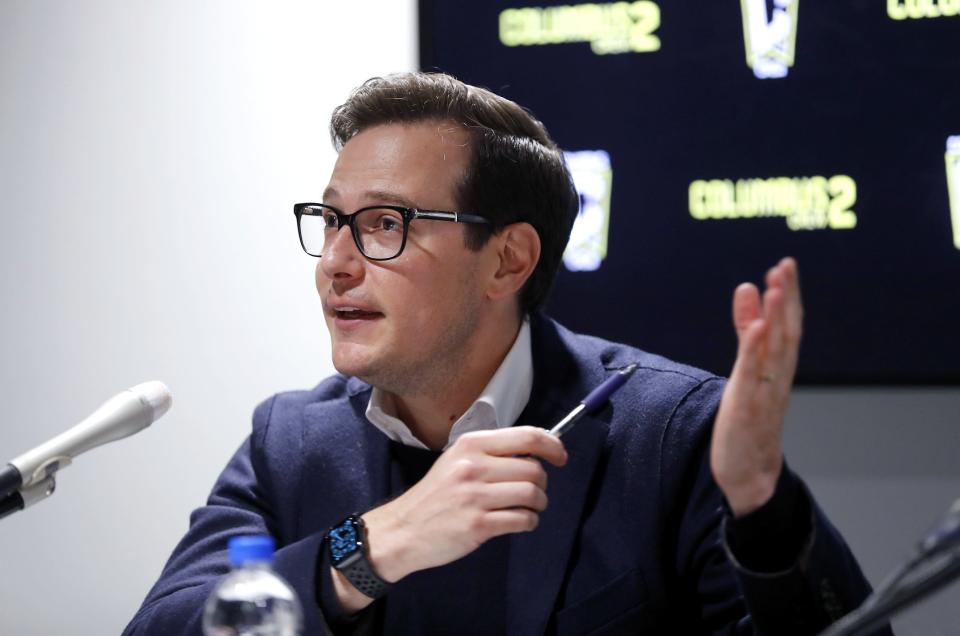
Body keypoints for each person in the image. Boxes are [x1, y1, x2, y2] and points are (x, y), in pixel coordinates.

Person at [124, 72, 888, 635]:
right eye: (329, 221)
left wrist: (761, 508)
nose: (335, 262)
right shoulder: (291, 443)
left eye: (384, 224)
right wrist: (374, 546)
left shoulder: (666, 434)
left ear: (508, 260)